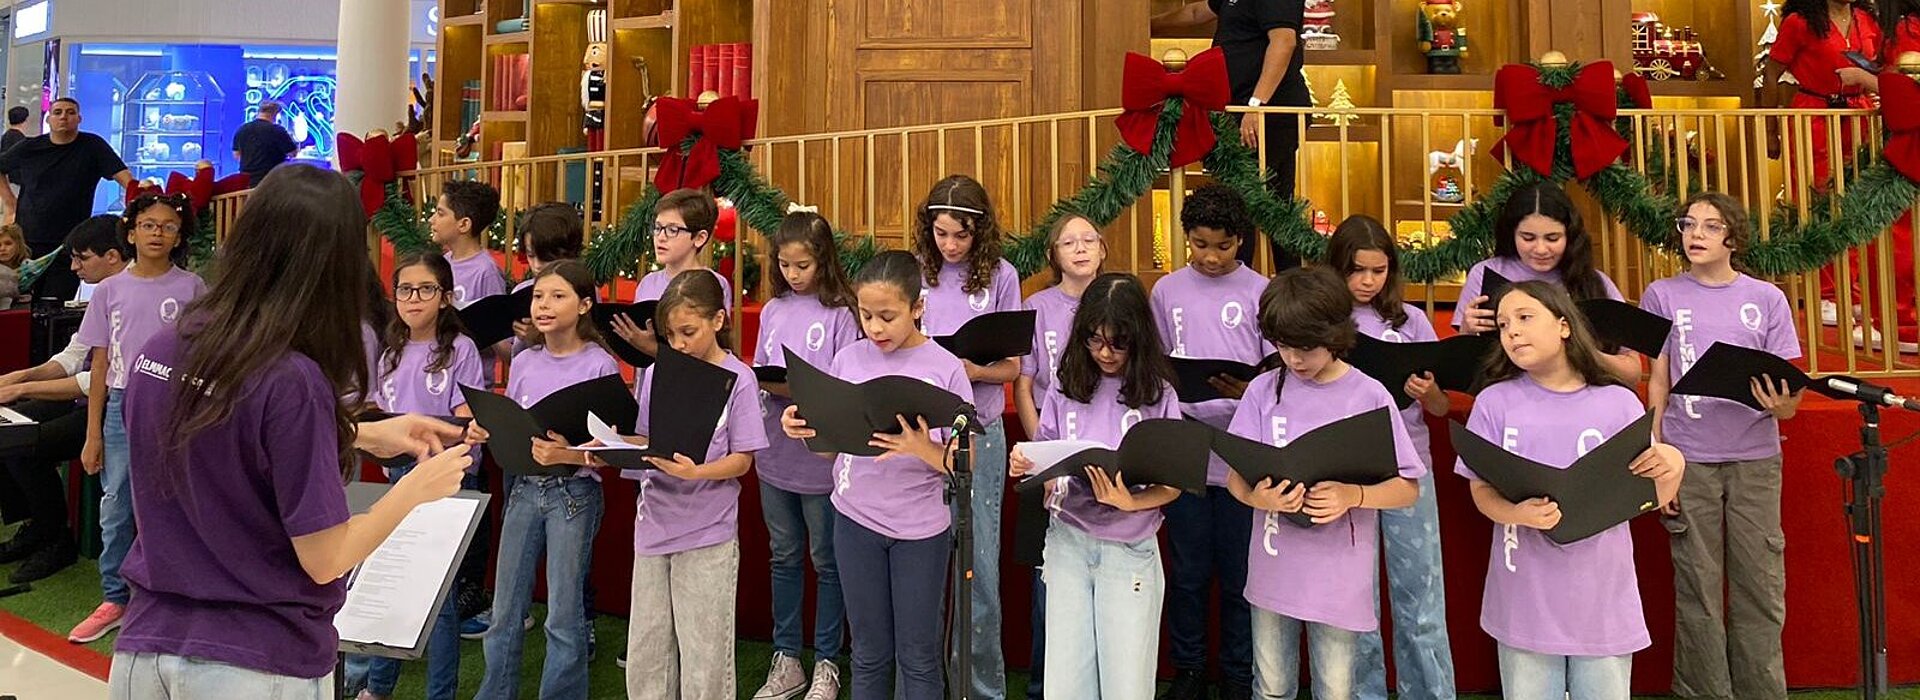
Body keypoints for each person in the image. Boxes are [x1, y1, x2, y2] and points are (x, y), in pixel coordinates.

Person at [105, 163, 473, 698]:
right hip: (255, 660)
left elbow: (224, 432)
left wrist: (357, 433)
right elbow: (326, 558)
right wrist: (414, 491)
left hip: (145, 649)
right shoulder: (292, 378)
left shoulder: (161, 349)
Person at [1457, 280, 1685, 698]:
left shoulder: (1617, 402)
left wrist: (1675, 463)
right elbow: (1481, 489)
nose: (1513, 331)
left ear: (1563, 326)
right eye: (1504, 325)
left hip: (1601, 596)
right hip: (1524, 594)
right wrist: (1517, 514)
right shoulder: (1494, 403)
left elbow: (1652, 493)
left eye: (1525, 317)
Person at [1225, 266, 1426, 699]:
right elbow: (1235, 476)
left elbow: (1407, 487)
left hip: (1339, 575)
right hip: (1274, 565)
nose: (1294, 359)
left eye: (1306, 348)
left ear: (1335, 335)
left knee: (1335, 688)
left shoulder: (1369, 395)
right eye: (1282, 346)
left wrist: (1353, 494)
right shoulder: (1262, 390)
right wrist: (1257, 496)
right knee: (1271, 686)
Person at [779, 250, 971, 700]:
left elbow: (967, 461)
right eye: (866, 315)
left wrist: (921, 448)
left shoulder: (945, 367)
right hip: (855, 520)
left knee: (918, 655)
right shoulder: (848, 359)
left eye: (888, 316)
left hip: (920, 530)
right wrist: (804, 430)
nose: (875, 328)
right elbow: (831, 447)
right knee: (867, 652)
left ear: (917, 307)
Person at [1644, 193, 1802, 700]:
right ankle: (1703, 693)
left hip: (1755, 457)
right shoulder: (1661, 294)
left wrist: (1782, 406)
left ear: (1733, 237)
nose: (1696, 234)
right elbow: (1658, 380)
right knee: (1698, 586)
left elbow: (1789, 395)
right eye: (1688, 223)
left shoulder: (1767, 298)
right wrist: (1658, 456)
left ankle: (1762, 692)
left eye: (1711, 226)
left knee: (1761, 584)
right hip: (1688, 457)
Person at [1007, 272, 1181, 698]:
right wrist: (1029, 466)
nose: (1105, 353)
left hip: (1129, 549)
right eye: (1095, 340)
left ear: (1138, 338)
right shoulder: (1066, 384)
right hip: (1068, 541)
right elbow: (1047, 455)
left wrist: (1130, 501)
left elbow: (1174, 483)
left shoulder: (1158, 394)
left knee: (1126, 683)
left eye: (1118, 343)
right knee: (1066, 683)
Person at [614, 270, 768, 700]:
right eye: (671, 335)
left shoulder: (739, 378)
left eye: (688, 332)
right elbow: (646, 439)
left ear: (718, 320)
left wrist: (695, 472)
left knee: (704, 655)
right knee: (647, 651)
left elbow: (743, 459)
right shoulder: (660, 371)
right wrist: (608, 444)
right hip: (653, 523)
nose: (679, 344)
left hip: (707, 531)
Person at [341, 252, 488, 700]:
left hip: (447, 480)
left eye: (426, 289)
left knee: (439, 597)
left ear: (445, 297)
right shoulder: (390, 350)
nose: (414, 299)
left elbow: (466, 419)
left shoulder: (460, 349)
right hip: (398, 477)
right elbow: (375, 411)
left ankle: (439, 693)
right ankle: (377, 687)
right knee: (390, 583)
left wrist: (461, 434)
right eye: (405, 289)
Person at [472, 260, 618, 700]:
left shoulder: (599, 363)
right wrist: (487, 428)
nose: (544, 306)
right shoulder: (525, 359)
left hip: (573, 494)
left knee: (563, 612)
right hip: (523, 488)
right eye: (538, 296)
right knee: (505, 609)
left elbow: (610, 451)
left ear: (585, 305)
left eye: (557, 296)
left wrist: (567, 453)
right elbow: (514, 422)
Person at [1326, 215, 1456, 699]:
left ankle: (1429, 691)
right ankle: (1366, 692)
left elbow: (1440, 407)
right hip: (1346, 469)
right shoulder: (1326, 320)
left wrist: (1428, 392)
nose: (1367, 281)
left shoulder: (1411, 321)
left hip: (1408, 466)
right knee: (1356, 598)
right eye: (1356, 270)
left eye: (1378, 271)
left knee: (1421, 593)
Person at [69, 193, 206, 645]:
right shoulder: (110, 290)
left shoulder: (193, 289)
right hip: (122, 404)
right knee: (118, 503)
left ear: (179, 236)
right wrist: (93, 434)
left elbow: (204, 356)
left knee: (174, 501)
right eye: (148, 225)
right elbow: (100, 365)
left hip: (176, 405)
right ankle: (115, 597)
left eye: (168, 226)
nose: (157, 234)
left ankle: (169, 595)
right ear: (130, 233)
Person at [1150, 183, 1269, 700]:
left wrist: (1249, 390)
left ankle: (1238, 675)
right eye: (1200, 245)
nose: (1212, 257)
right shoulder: (1166, 291)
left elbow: (1276, 370)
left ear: (1240, 240)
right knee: (1189, 571)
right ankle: (1190, 669)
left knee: (1241, 574)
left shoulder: (1261, 290)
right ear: (1186, 238)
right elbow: (1155, 363)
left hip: (1242, 449)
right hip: (1188, 448)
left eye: (1223, 246)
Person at [912, 174, 1020, 700]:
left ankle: (980, 689)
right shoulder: (916, 271)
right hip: (923, 432)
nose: (950, 245)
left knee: (979, 567)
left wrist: (971, 370)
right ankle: (926, 683)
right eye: (941, 234)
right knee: (926, 560)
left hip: (981, 430)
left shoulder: (1001, 274)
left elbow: (1012, 367)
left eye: (961, 235)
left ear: (980, 231)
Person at [749, 210, 859, 700]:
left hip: (820, 456)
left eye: (803, 265)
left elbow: (846, 383)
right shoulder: (773, 309)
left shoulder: (842, 314)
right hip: (774, 452)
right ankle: (787, 657)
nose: (793, 274)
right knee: (784, 555)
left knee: (826, 560)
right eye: (784, 265)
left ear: (824, 261)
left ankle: (827, 661)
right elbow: (760, 368)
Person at [0, 216, 127, 585]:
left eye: (80, 258)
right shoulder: (101, 293)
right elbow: (73, 356)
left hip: (114, 409)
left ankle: (56, 540)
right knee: (8, 429)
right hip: (85, 397)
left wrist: (22, 388)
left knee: (24, 443)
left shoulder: (135, 298)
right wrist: (17, 377)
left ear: (113, 256)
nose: (73, 268)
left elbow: (99, 381)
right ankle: (37, 524)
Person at [1011, 212, 1107, 699]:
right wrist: (1044, 453)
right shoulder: (1037, 306)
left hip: (1105, 452)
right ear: (1054, 255)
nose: (1081, 248)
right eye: (1069, 242)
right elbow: (1024, 383)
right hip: (1048, 455)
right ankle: (1042, 685)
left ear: (1103, 249)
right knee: (1047, 574)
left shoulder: (1119, 300)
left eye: (1089, 239)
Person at [1152, 0, 1307, 268]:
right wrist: (1149, 24)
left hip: (1268, 115)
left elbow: (1284, 41)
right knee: (1262, 202)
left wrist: (1256, 105)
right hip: (1236, 112)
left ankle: (1264, 281)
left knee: (1254, 204)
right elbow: (1196, 12)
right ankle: (1280, 279)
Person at [1450, 181, 1639, 384]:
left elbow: (1633, 373)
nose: (1541, 249)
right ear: (1512, 234)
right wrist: (1467, 332)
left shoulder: (1595, 283)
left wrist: (1579, 350)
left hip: (1582, 392)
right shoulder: (1485, 273)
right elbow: (1464, 373)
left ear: (1570, 236)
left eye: (1552, 238)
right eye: (1528, 238)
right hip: (1508, 391)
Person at [0, 97, 134, 301]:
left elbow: (124, 177)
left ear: (79, 118)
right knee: (22, 302)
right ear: (49, 119)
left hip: (69, 242)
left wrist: (136, 197)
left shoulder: (92, 146)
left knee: (56, 302)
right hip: (28, 240)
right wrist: (9, 201)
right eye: (58, 112)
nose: (64, 117)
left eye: (70, 112)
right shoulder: (29, 147)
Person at [610, 188, 736, 361]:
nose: (661, 237)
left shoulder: (714, 283)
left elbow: (711, 350)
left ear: (699, 238)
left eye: (672, 230)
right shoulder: (648, 283)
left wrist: (653, 349)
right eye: (658, 228)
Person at [232, 102, 298, 186]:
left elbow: (236, 155)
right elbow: (292, 153)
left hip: (246, 182)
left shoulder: (242, 129)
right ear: (275, 114)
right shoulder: (277, 131)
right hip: (271, 181)